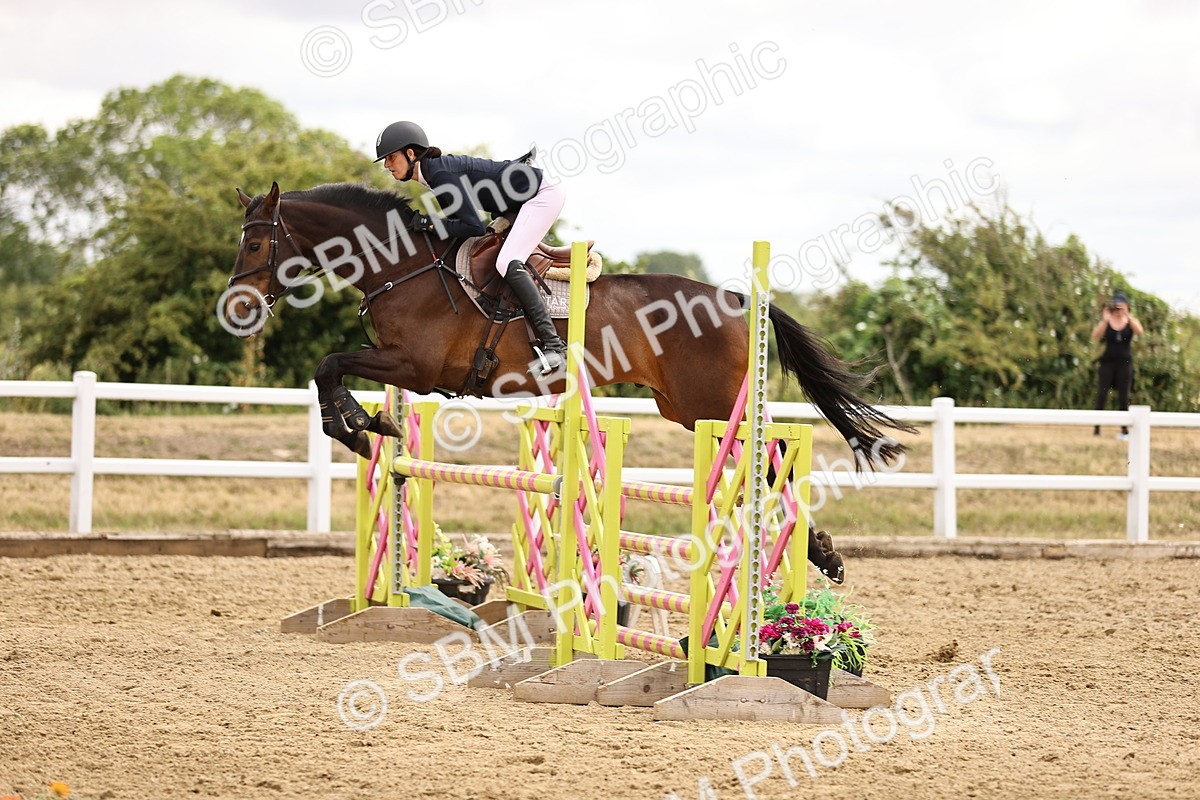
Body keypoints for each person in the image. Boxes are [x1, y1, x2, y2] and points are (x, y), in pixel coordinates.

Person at [374, 120, 567, 374]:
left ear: (410, 154)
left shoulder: (440, 175)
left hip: (541, 195)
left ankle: (555, 347)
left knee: (506, 261)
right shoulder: (434, 173)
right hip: (516, 201)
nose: (387, 165)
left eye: (390, 157)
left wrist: (428, 223)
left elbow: (472, 227)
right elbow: (462, 225)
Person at [1090, 290, 1144, 440]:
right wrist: (1105, 319)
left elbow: (1140, 331)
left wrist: (1127, 316)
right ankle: (1096, 428)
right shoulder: (1107, 321)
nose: (1118, 309)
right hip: (1107, 363)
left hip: (1125, 364)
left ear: (1127, 306)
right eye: (1116, 306)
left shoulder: (1130, 321)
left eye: (1122, 306)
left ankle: (1124, 430)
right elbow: (1095, 336)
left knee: (1123, 397)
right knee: (1102, 395)